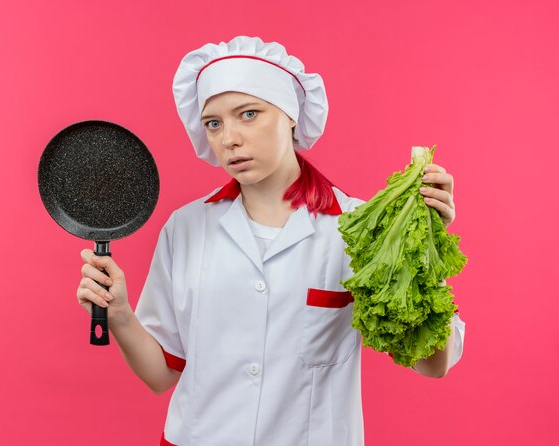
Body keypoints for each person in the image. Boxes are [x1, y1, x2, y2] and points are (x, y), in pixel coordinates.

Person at [76, 36, 465, 446]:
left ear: (291, 115)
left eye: (248, 114)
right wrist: (118, 314)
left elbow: (431, 364)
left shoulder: (360, 227)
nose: (229, 138)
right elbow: (161, 374)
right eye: (214, 123)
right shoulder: (186, 227)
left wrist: (421, 246)